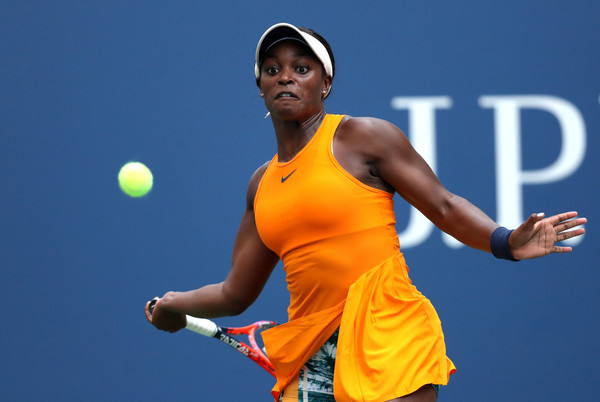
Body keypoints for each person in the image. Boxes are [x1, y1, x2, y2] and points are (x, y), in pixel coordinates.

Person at [145, 23, 586, 402]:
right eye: (272, 69)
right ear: (259, 84)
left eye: (302, 68)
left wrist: (504, 242)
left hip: (388, 332)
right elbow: (234, 293)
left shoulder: (362, 137)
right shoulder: (260, 184)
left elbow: (444, 205)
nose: (285, 77)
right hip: (311, 351)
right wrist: (173, 305)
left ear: (325, 83)